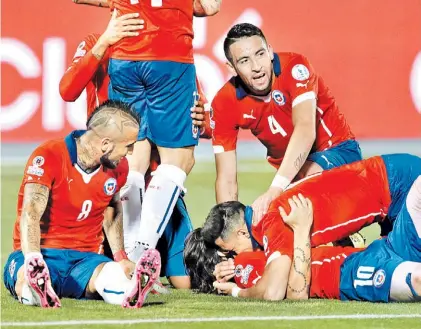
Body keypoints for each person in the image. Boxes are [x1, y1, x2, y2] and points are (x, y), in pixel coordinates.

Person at [59, 9, 211, 289]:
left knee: (185, 281)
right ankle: (132, 259)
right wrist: (104, 41)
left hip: (156, 181)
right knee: (103, 271)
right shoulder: (99, 42)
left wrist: (205, 117)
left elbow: (204, 125)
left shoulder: (161, 49)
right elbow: (68, 90)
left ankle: (140, 256)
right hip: (113, 180)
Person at [187, 153, 421, 300]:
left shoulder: (274, 222)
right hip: (391, 184)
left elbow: (276, 291)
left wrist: (237, 290)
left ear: (242, 232)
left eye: (233, 249)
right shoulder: (271, 213)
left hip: (397, 185)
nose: (235, 256)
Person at [3, 101, 158, 308]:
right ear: (105, 144)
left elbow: (112, 212)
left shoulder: (119, 168)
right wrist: (33, 256)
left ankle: (131, 292)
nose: (129, 152)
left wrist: (121, 257)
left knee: (111, 274)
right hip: (42, 253)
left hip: (85, 260)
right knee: (25, 277)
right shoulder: (49, 155)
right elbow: (31, 212)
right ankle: (35, 281)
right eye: (128, 146)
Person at [103, 0, 221, 265]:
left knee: (133, 161)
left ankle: (128, 256)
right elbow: (211, 6)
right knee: (177, 160)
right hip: (168, 56)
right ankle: (141, 250)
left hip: (124, 56)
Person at [211, 23, 361, 222]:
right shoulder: (224, 102)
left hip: (338, 152)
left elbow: (305, 130)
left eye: (260, 54)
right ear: (232, 67)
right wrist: (229, 229)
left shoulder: (295, 67)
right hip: (292, 174)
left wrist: (276, 189)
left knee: (290, 198)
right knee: (260, 219)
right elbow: (227, 179)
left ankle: (342, 230)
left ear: (270, 51)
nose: (256, 67)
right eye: (245, 60)